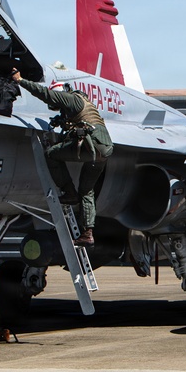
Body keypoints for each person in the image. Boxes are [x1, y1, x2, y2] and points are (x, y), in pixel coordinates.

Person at [12, 70, 114, 245]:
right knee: (86, 190)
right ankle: (87, 233)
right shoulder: (84, 105)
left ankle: (69, 192)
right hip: (103, 150)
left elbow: (45, 94)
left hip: (91, 145)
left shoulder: (71, 99)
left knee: (51, 154)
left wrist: (21, 80)